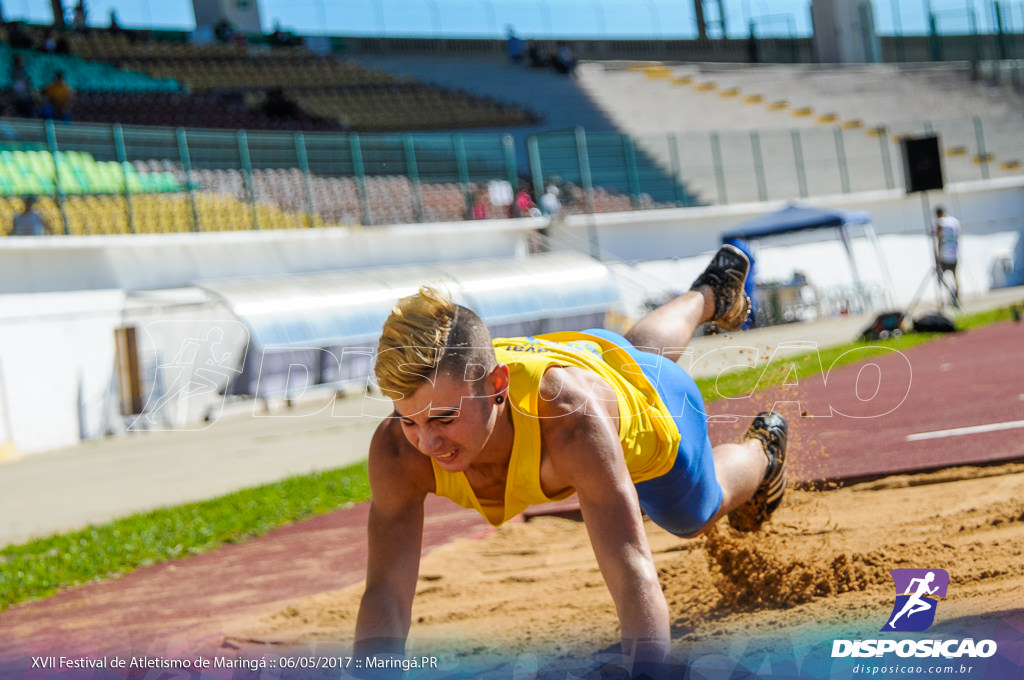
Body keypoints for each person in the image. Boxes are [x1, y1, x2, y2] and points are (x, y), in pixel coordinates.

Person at [354, 245, 789, 676]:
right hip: (585, 355)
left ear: (496, 386)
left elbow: (631, 568)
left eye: (444, 418)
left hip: (656, 405)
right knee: (635, 351)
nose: (427, 443)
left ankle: (763, 450)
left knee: (691, 514)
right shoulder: (398, 449)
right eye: (407, 419)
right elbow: (386, 592)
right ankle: (709, 293)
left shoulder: (570, 423)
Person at [934, 206, 961, 307]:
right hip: (954, 254)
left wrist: (938, 257)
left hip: (944, 255)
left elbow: (939, 240)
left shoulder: (940, 222)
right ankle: (957, 297)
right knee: (955, 277)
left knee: (940, 277)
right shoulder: (955, 222)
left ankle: (944, 299)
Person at [10, 54, 35, 118]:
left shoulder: (23, 71)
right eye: (22, 60)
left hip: (26, 99)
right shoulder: (14, 72)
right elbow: (19, 88)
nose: (24, 62)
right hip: (20, 100)